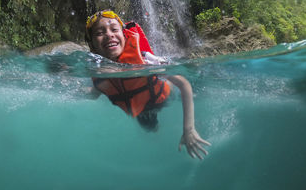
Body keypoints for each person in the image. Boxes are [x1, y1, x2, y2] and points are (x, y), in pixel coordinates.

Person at [85, 10, 211, 160]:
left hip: (166, 96)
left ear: (124, 35)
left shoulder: (145, 60)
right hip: (141, 109)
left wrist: (188, 129)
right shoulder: (99, 72)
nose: (109, 34)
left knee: (196, 94)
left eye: (114, 29)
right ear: (92, 45)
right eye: (100, 32)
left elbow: (184, 84)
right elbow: (97, 91)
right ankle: (160, 141)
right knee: (149, 128)